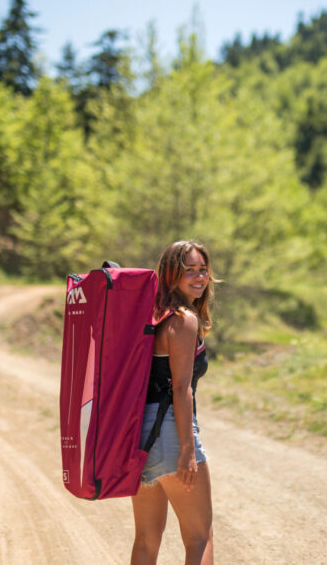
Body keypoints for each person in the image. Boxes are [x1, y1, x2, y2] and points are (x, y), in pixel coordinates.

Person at [131, 240, 216, 565]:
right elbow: (181, 388)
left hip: (140, 434)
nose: (199, 277)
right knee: (200, 536)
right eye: (189, 271)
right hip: (170, 432)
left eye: (202, 270)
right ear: (170, 276)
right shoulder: (184, 320)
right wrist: (186, 450)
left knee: (146, 539)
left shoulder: (152, 316)